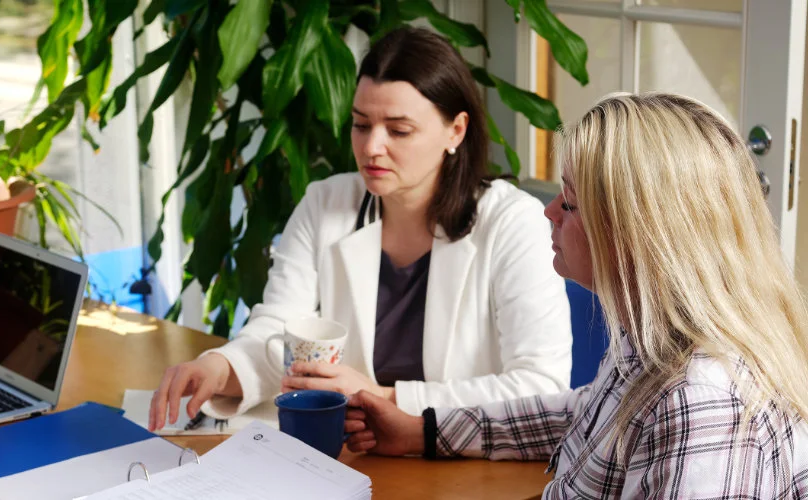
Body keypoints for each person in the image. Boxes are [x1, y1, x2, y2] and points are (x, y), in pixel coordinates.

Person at [344, 92, 808, 497]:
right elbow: (582, 414)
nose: (548, 212)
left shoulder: (702, 406)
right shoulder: (650, 339)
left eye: (568, 202)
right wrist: (423, 431)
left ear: (636, 233)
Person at [150, 27, 572, 431]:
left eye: (399, 130)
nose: (372, 147)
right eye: (361, 124)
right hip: (351, 458)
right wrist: (219, 366)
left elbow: (541, 387)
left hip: (466, 466)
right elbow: (280, 333)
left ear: (455, 131)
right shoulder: (324, 204)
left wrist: (384, 398)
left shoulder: (513, 223)